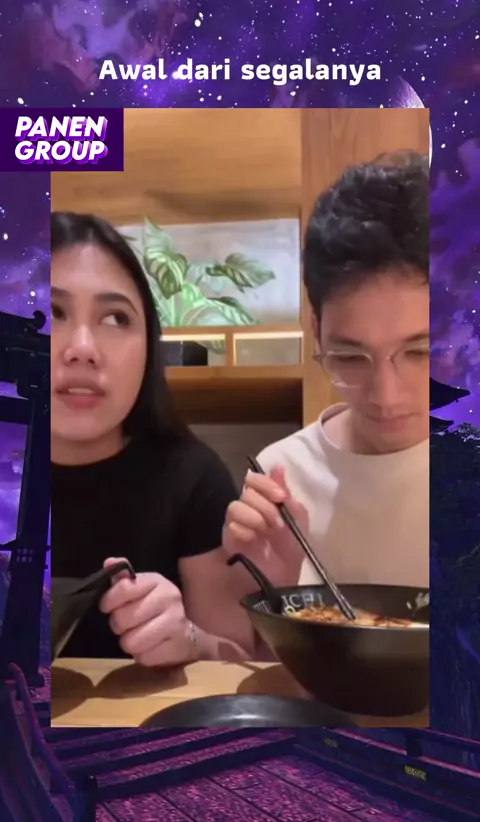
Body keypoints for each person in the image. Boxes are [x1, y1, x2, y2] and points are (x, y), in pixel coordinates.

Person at [51, 212, 254, 665]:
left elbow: (241, 658)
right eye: (51, 312)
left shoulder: (191, 479)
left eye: (115, 318)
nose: (82, 348)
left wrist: (190, 640)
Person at [223, 152, 429, 590]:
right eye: (350, 357)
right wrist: (273, 588)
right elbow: (254, 634)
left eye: (420, 352)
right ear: (317, 333)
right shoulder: (282, 476)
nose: (386, 396)